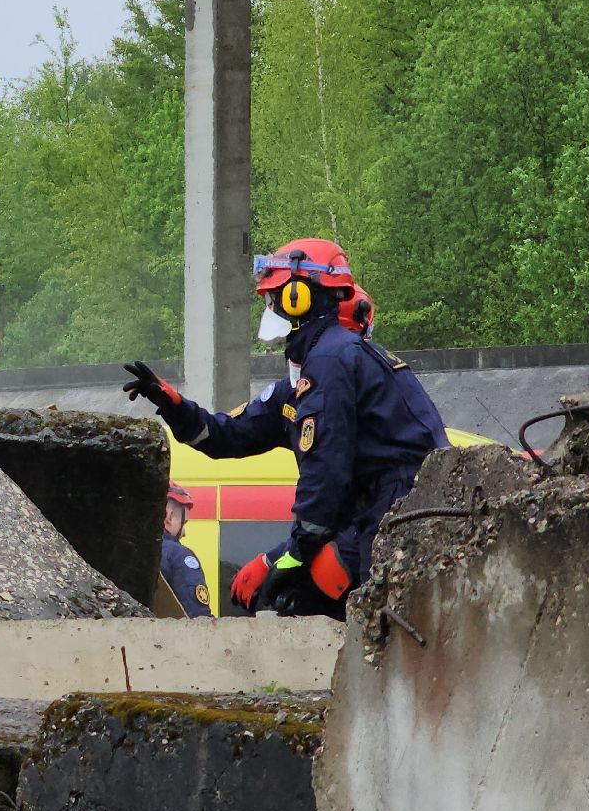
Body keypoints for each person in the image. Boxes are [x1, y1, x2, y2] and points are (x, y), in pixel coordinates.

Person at [120, 239, 445, 619]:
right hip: (373, 513)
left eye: (275, 296)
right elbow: (228, 435)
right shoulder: (305, 377)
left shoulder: (332, 360)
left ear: (298, 297)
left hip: (397, 512)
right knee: (302, 590)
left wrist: (287, 557)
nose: (271, 306)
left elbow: (326, 474)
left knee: (318, 596)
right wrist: (175, 407)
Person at [160, 483, 213, 618]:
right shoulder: (179, 555)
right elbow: (198, 618)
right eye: (184, 523)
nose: (184, 533)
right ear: (169, 517)